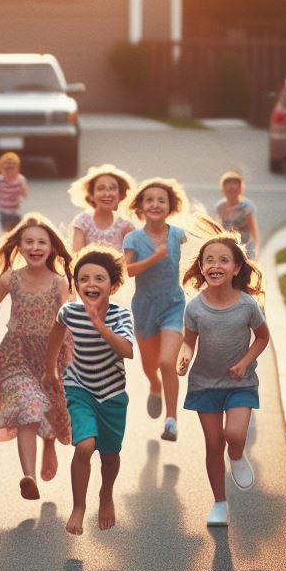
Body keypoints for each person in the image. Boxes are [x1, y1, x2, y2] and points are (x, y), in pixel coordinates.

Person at [0, 213, 73, 501]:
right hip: (15, 353)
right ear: (19, 246)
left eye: (41, 242)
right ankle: (28, 476)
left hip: (51, 353)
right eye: (28, 241)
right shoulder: (11, 279)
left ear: (52, 247)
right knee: (29, 407)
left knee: (52, 407)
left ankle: (50, 445)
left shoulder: (59, 283)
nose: (35, 247)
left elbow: (69, 317)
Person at [177, 232, 270, 528]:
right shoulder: (194, 307)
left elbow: (263, 338)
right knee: (214, 443)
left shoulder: (247, 305)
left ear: (236, 268)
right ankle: (219, 503)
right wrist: (184, 356)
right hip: (205, 385)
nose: (215, 265)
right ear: (202, 267)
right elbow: (188, 341)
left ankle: (239, 456)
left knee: (234, 436)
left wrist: (244, 363)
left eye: (223, 260)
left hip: (240, 384)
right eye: (209, 260)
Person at [43, 247, 134, 536]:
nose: (91, 284)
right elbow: (57, 331)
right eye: (84, 279)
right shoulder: (69, 311)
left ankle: (106, 494)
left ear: (114, 285)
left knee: (109, 455)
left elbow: (127, 350)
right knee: (84, 447)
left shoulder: (121, 315)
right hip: (79, 387)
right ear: (76, 285)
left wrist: (99, 324)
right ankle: (79, 506)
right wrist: (51, 369)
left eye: (99, 278)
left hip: (112, 395)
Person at [123, 178, 188, 442]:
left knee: (166, 362)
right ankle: (154, 385)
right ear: (140, 206)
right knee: (150, 366)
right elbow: (128, 271)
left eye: (161, 200)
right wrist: (153, 258)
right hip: (145, 306)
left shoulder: (178, 234)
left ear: (170, 206)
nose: (155, 204)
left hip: (173, 304)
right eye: (149, 200)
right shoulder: (133, 238)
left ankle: (171, 421)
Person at [69, 163, 136, 252]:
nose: (107, 194)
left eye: (112, 188)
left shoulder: (126, 226)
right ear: (91, 195)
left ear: (120, 194)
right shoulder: (82, 222)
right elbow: (76, 258)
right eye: (101, 188)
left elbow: (130, 261)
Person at [215, 171, 260, 259]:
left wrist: (256, 249)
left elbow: (254, 230)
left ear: (240, 189)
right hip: (226, 247)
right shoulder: (220, 207)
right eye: (228, 188)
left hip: (245, 248)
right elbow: (217, 228)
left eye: (234, 189)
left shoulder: (246, 207)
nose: (231, 190)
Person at [0, 151, 28, 232]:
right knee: (6, 232)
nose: (8, 171)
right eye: (5, 168)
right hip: (4, 211)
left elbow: (24, 193)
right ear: (0, 168)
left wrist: (23, 193)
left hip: (16, 211)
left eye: (11, 168)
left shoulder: (20, 180)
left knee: (17, 231)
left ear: (17, 168)